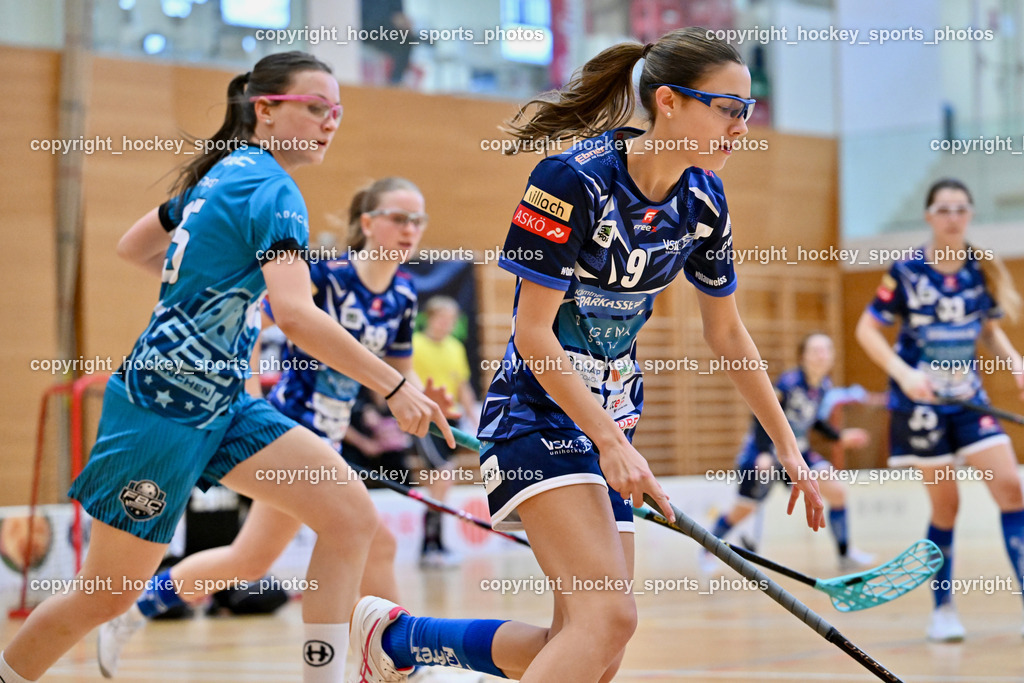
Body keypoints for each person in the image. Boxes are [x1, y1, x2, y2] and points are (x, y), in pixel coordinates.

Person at [347, 27, 825, 683]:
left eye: (749, 111)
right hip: (536, 416)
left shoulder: (706, 202)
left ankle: (400, 639)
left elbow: (728, 334)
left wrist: (788, 447)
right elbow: (533, 332)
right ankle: (399, 640)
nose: (741, 128)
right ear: (669, 102)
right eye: (729, 109)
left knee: (590, 643)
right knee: (610, 619)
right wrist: (610, 442)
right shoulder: (573, 180)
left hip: (611, 417)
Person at [0, 52, 452, 683]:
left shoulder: (221, 176)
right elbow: (295, 316)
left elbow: (137, 246)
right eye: (317, 108)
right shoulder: (273, 190)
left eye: (337, 113)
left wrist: (215, 295)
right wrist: (395, 385)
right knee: (104, 593)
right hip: (162, 411)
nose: (330, 123)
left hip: (227, 405)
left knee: (350, 517)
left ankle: (328, 676)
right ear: (266, 109)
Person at [94, 177, 456, 680]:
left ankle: (134, 609)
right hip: (287, 432)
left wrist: (418, 393)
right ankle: (402, 660)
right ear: (368, 224)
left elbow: (396, 369)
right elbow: (250, 320)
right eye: (399, 217)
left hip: (329, 438)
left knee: (249, 560)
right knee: (371, 539)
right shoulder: (326, 277)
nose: (410, 229)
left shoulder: (403, 292)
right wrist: (252, 399)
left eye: (418, 220)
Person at [855, 177, 1024, 642]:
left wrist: (1015, 363)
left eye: (962, 209)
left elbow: (987, 329)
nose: (954, 217)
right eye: (945, 209)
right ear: (929, 216)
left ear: (970, 215)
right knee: (946, 505)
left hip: (969, 399)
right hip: (920, 404)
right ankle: (943, 608)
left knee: (1011, 488)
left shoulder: (978, 270)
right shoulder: (906, 272)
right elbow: (866, 331)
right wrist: (904, 374)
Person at [703, 333, 873, 573]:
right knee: (745, 509)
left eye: (826, 350)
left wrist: (840, 437)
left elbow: (815, 421)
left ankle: (845, 555)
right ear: (803, 357)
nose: (821, 355)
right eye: (815, 350)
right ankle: (707, 548)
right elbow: (761, 415)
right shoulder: (789, 383)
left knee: (837, 491)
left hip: (796, 452)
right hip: (766, 452)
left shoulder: (823, 386)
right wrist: (763, 452)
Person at [412, 296, 479, 567]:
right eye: (442, 319)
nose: (446, 325)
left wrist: (475, 417)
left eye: (451, 321)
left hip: (450, 421)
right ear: (429, 317)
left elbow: (462, 386)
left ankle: (432, 546)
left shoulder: (455, 347)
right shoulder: (415, 345)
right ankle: (431, 547)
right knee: (443, 477)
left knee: (439, 486)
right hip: (425, 420)